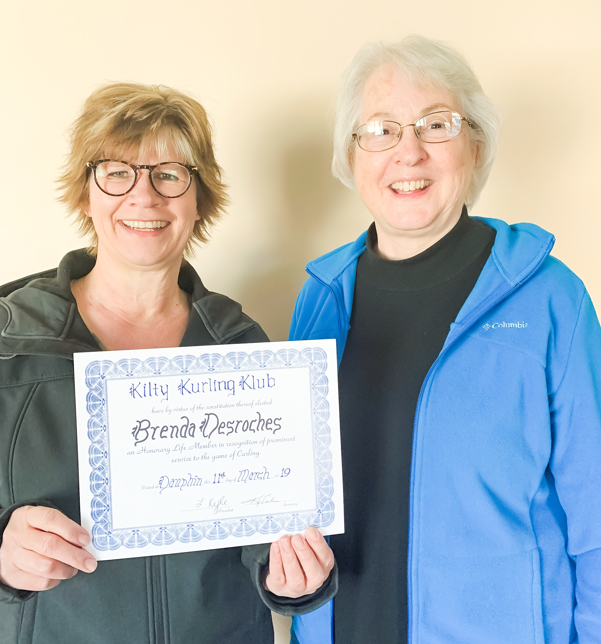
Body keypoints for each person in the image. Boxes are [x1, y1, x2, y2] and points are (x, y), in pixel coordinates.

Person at [289, 35, 601, 644]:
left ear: (474, 144)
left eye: (436, 125)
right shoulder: (320, 299)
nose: (408, 152)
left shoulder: (550, 297)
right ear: (352, 156)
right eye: (380, 130)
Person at [0, 82, 335, 644]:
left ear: (199, 199)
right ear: (85, 195)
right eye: (117, 173)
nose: (144, 196)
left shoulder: (241, 346)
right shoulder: (10, 342)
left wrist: (290, 580)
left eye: (170, 174)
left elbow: (268, 532)